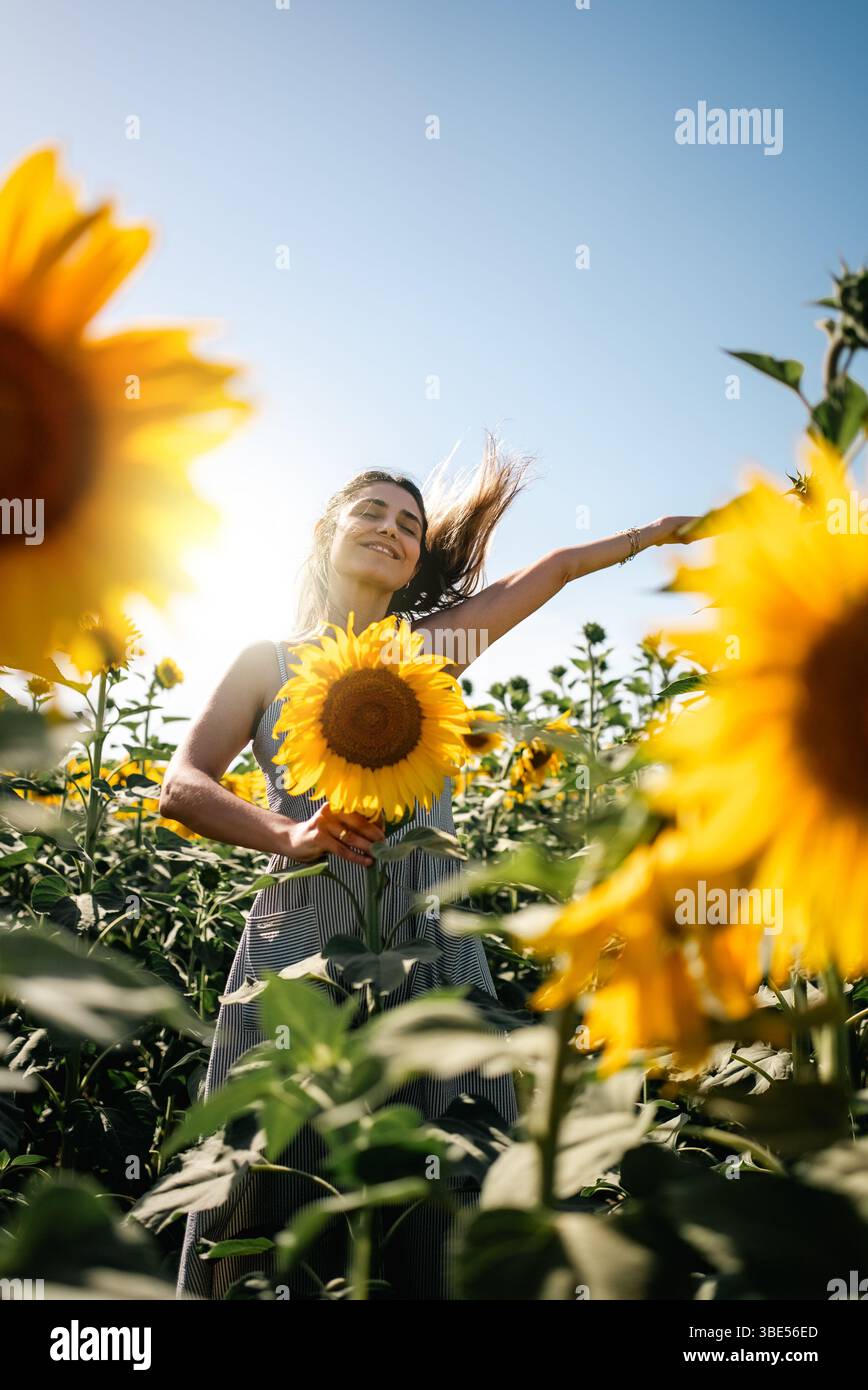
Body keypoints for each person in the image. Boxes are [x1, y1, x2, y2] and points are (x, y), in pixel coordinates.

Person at [163, 433, 698, 1299]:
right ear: (326, 531)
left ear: (416, 559)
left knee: (450, 1180)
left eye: (408, 522)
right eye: (370, 511)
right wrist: (290, 835)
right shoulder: (268, 660)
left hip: (431, 944)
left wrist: (658, 534)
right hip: (298, 946)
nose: (390, 527)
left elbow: (554, 569)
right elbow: (182, 786)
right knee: (264, 1173)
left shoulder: (430, 650)